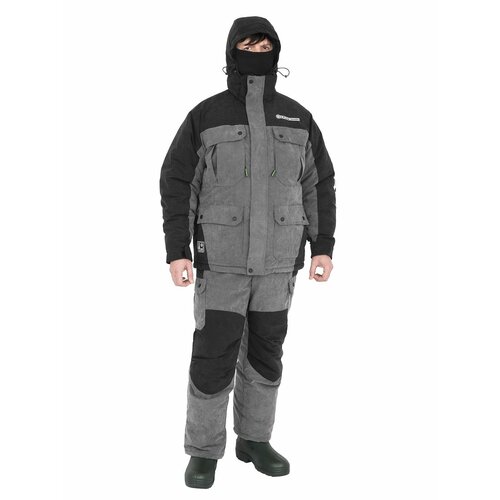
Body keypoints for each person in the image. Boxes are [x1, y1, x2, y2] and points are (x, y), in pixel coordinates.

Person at [159, 16, 336, 488]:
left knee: (266, 354)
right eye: (247, 45)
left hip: (278, 265)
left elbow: (319, 184)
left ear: (276, 53)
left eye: (264, 46)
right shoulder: (206, 115)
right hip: (221, 263)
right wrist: (177, 250)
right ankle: (203, 450)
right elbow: (177, 183)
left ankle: (254, 439)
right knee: (213, 355)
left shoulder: (298, 117)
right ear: (230, 53)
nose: (256, 53)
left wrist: (323, 247)